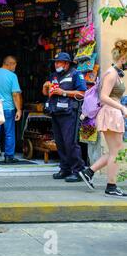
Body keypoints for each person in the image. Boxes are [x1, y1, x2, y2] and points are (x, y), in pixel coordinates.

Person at [78, 40, 127, 198]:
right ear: (123, 58)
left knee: (115, 151)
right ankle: (111, 186)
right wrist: (121, 107)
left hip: (112, 113)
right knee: (116, 152)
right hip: (111, 113)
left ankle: (88, 172)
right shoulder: (111, 73)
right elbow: (104, 96)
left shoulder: (114, 73)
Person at [42, 52, 87, 182]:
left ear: (67, 64)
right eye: (55, 62)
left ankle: (78, 171)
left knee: (70, 143)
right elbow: (46, 93)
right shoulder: (54, 75)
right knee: (60, 143)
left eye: (59, 62)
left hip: (69, 113)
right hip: (55, 112)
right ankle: (65, 169)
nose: (56, 64)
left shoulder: (76, 74)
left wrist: (64, 93)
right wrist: (45, 87)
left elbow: (82, 93)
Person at [0, 56, 23, 164]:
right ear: (10, 64)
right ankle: (9, 156)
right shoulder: (12, 76)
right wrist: (19, 110)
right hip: (8, 108)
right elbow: (15, 94)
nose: (15, 67)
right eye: (15, 64)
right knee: (9, 133)